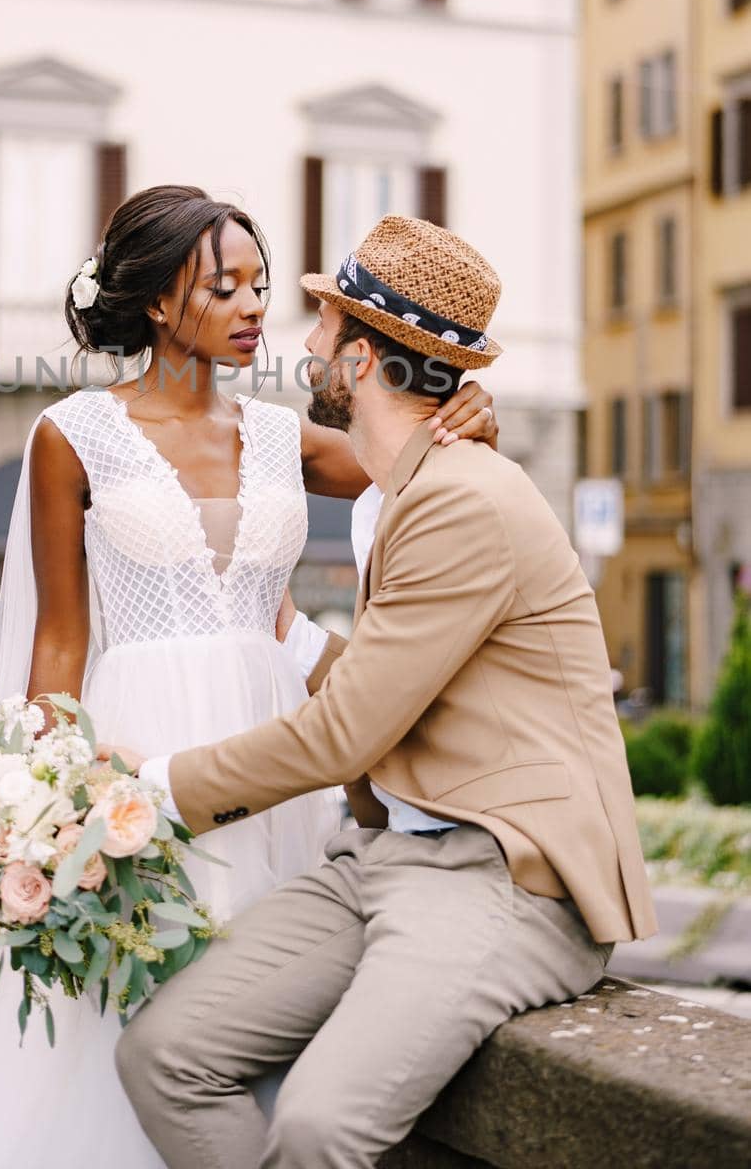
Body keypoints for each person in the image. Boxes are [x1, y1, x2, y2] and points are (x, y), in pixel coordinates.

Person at [0, 187, 498, 1169]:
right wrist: (38, 802)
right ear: (156, 301)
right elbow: (58, 641)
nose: (250, 308)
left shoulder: (283, 436)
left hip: (271, 757)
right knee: (114, 1018)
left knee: (255, 1009)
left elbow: (415, 457)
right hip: (133, 757)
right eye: (220, 286)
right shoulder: (72, 434)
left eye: (258, 286)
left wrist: (467, 409)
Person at [113, 213, 659, 1169]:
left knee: (320, 1126)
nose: (306, 344)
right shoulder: (405, 484)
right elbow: (393, 688)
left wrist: (146, 791)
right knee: (164, 1056)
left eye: (324, 328)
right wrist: (283, 632)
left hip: (504, 877)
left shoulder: (460, 499)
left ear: (362, 362)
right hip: (384, 856)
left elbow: (341, 736)